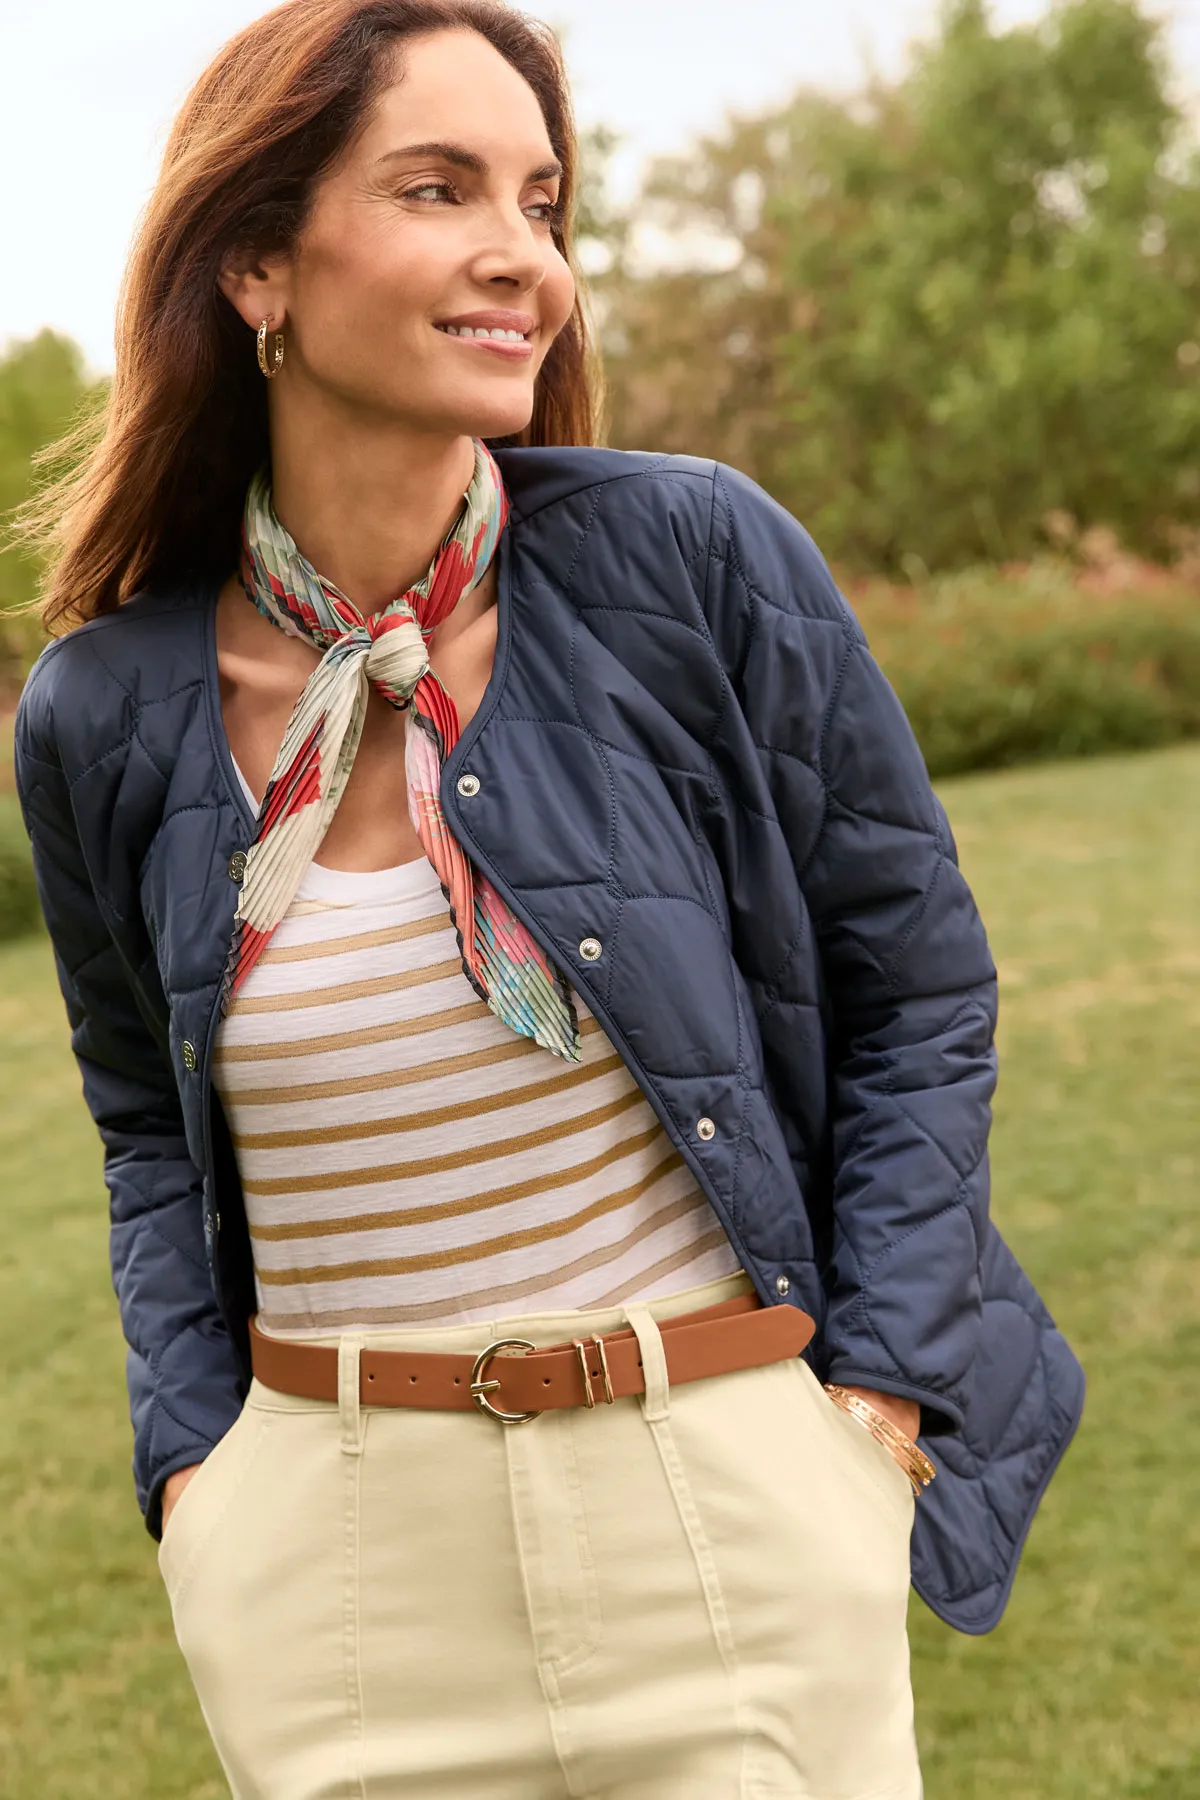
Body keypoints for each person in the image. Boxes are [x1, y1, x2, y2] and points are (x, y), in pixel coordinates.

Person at [13, 1, 1084, 1795]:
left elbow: (918, 991)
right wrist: (202, 1475)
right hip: (337, 1581)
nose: (521, 257)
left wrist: (872, 1414)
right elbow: (145, 1123)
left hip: (727, 1517)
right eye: (439, 190)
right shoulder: (103, 713)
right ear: (259, 260)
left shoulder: (694, 562)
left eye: (545, 201)